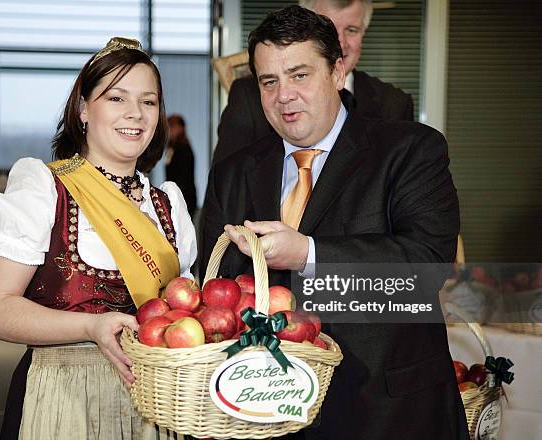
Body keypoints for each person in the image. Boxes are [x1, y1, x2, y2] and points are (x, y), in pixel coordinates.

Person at [200, 6, 469, 439]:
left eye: (300, 75)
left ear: (337, 71)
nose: (284, 94)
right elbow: (214, 290)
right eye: (270, 81)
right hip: (269, 415)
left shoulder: (409, 150)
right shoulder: (232, 174)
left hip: (388, 413)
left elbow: (426, 267)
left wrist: (309, 254)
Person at [0, 37, 196, 440]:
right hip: (61, 396)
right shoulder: (44, 188)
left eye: (149, 101)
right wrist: (92, 327)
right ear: (83, 109)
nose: (136, 114)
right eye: (116, 98)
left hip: (155, 402)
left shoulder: (169, 206)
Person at [212, 0, 414, 165]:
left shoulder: (394, 104)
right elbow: (225, 189)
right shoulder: (250, 96)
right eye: (330, 28)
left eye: (352, 30)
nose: (340, 41)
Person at [166, 114, 198, 216]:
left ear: (181, 128)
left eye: (172, 126)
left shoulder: (183, 149)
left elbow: (183, 178)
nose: (169, 131)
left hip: (184, 198)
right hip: (176, 196)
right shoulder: (172, 148)